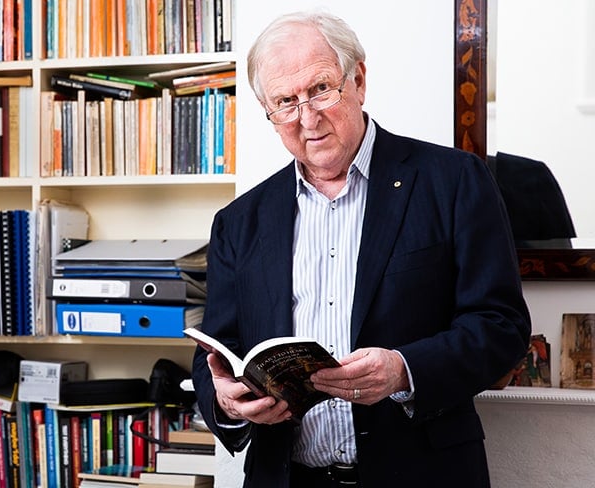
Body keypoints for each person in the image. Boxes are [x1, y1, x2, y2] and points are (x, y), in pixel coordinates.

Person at [190, 8, 531, 488]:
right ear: (268, 112)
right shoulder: (239, 221)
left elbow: (502, 326)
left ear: (359, 81)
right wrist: (227, 401)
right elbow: (216, 356)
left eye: (320, 89)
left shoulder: (454, 182)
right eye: (285, 101)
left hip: (422, 475)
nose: (307, 117)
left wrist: (404, 371)